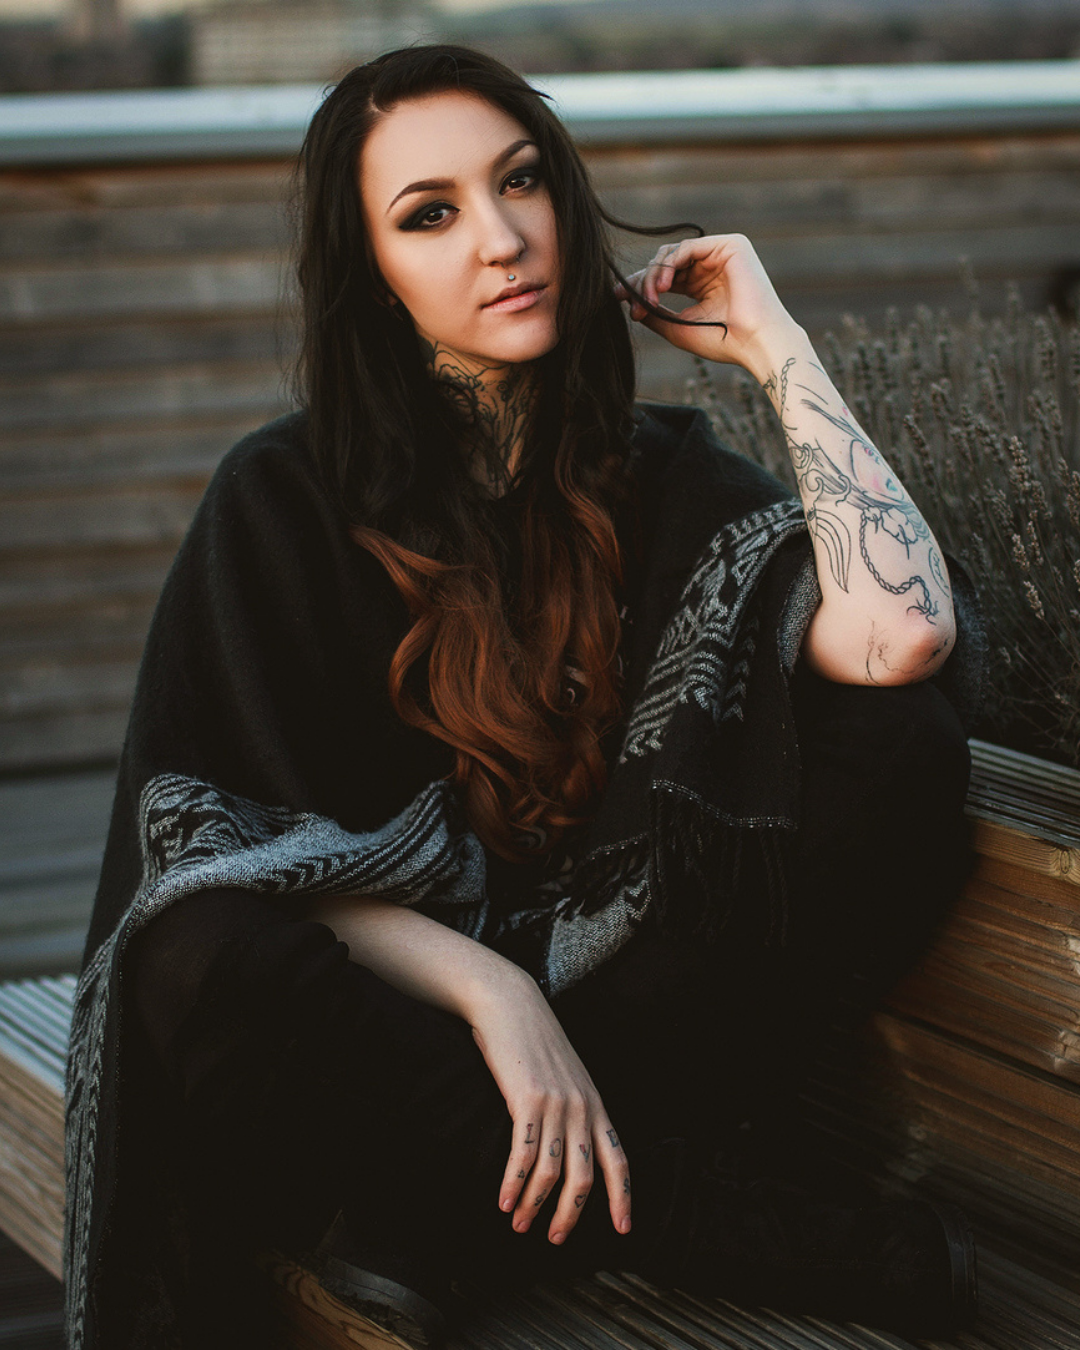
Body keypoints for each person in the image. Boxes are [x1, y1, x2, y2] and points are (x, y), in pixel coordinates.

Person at [64, 44, 985, 1350]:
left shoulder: (660, 477)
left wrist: (778, 354)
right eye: (429, 214)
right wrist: (498, 998)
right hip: (398, 1019)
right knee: (190, 961)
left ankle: (436, 1218)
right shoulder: (280, 501)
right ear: (372, 276)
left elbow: (898, 640)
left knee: (900, 743)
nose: (498, 239)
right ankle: (713, 1220)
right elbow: (230, 855)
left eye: (521, 182)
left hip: (631, 1001)